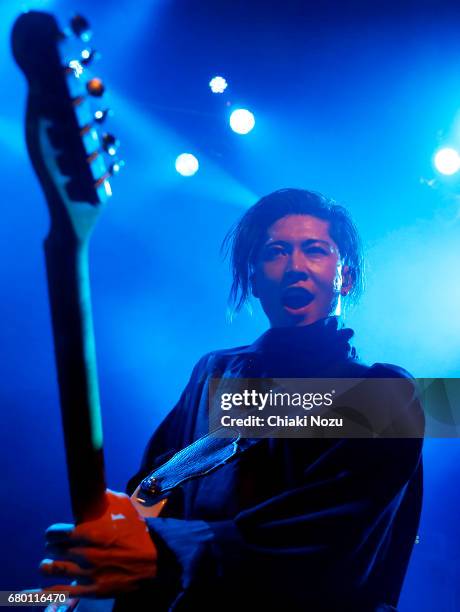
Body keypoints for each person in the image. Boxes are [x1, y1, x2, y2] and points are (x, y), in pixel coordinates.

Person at [40, 189, 424, 611]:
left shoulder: (383, 395)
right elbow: (156, 485)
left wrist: (169, 550)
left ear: (344, 277)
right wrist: (123, 525)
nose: (295, 267)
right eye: (276, 252)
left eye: (315, 251)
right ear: (255, 277)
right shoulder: (215, 372)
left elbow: (328, 537)